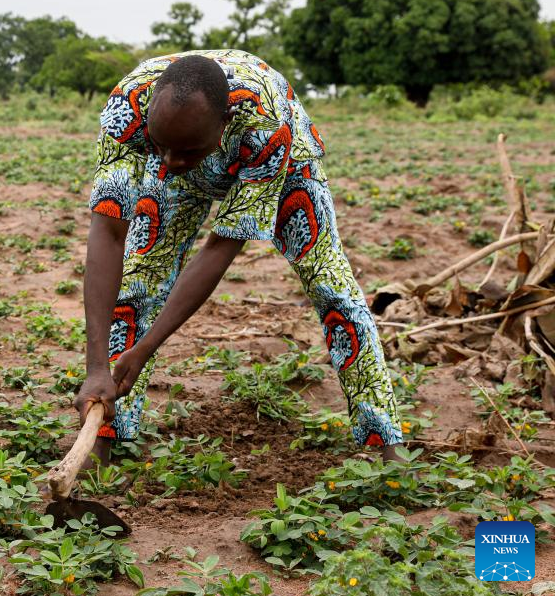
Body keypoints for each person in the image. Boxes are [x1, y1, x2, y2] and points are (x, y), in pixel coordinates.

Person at [72, 49, 406, 466]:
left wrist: (145, 349)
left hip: (284, 165)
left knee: (333, 290)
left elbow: (221, 246)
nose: (170, 163)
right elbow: (108, 229)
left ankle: (385, 441)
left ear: (225, 123)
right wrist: (97, 365)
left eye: (185, 152)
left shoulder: (265, 122)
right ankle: (102, 438)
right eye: (160, 146)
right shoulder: (128, 107)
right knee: (137, 286)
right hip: (185, 165)